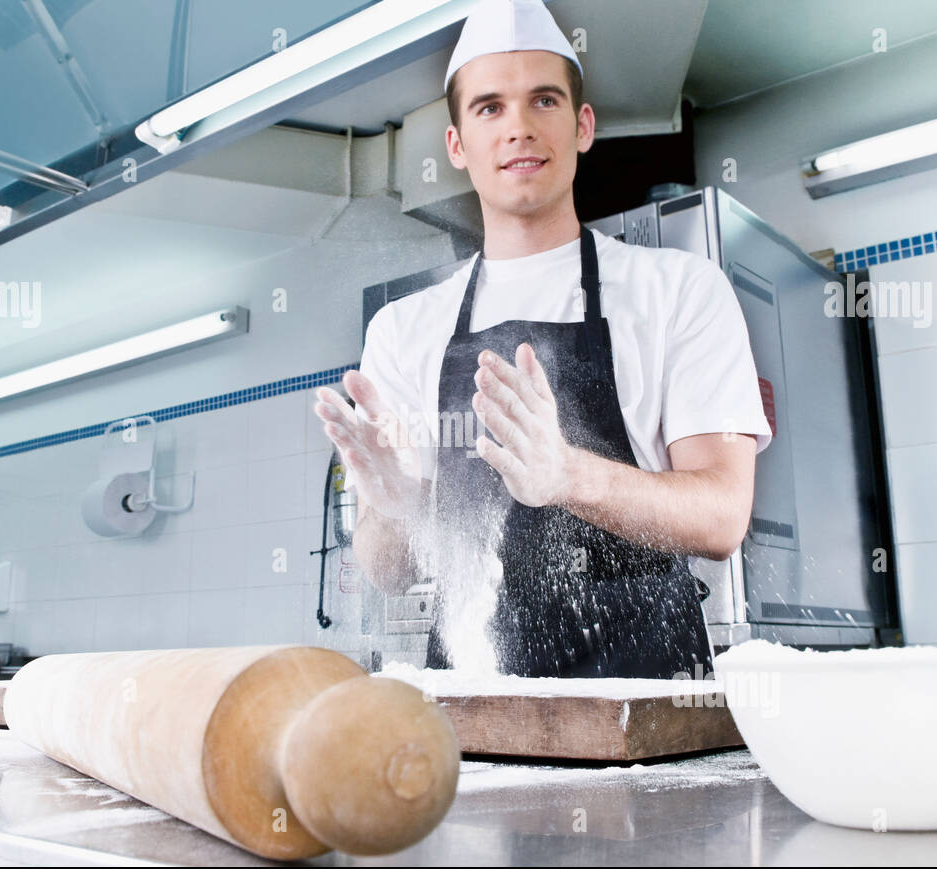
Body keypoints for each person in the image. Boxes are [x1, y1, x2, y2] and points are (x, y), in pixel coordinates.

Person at [313, 0, 772, 678]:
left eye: (544, 100)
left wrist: (570, 477)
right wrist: (396, 505)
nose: (519, 128)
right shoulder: (405, 330)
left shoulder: (680, 290)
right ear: (457, 145)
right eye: (490, 108)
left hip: (647, 707)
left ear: (583, 125)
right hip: (475, 709)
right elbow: (386, 570)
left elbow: (722, 518)